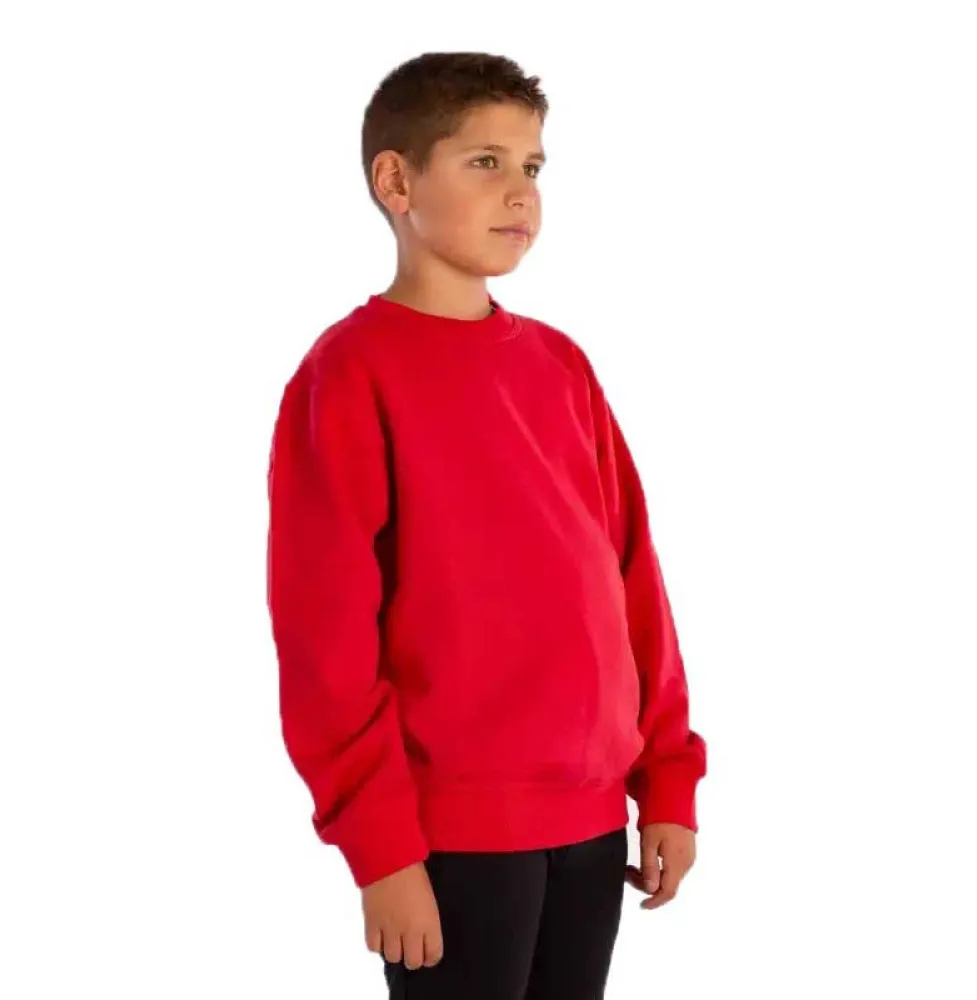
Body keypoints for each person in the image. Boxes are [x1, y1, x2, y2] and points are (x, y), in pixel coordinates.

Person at [266, 51, 708, 1000]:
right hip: (450, 838)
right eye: (485, 162)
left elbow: (633, 579)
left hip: (594, 827)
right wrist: (382, 849)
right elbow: (323, 638)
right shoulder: (349, 376)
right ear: (397, 181)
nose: (521, 193)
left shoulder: (561, 366)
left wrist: (667, 781)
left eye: (533, 166)